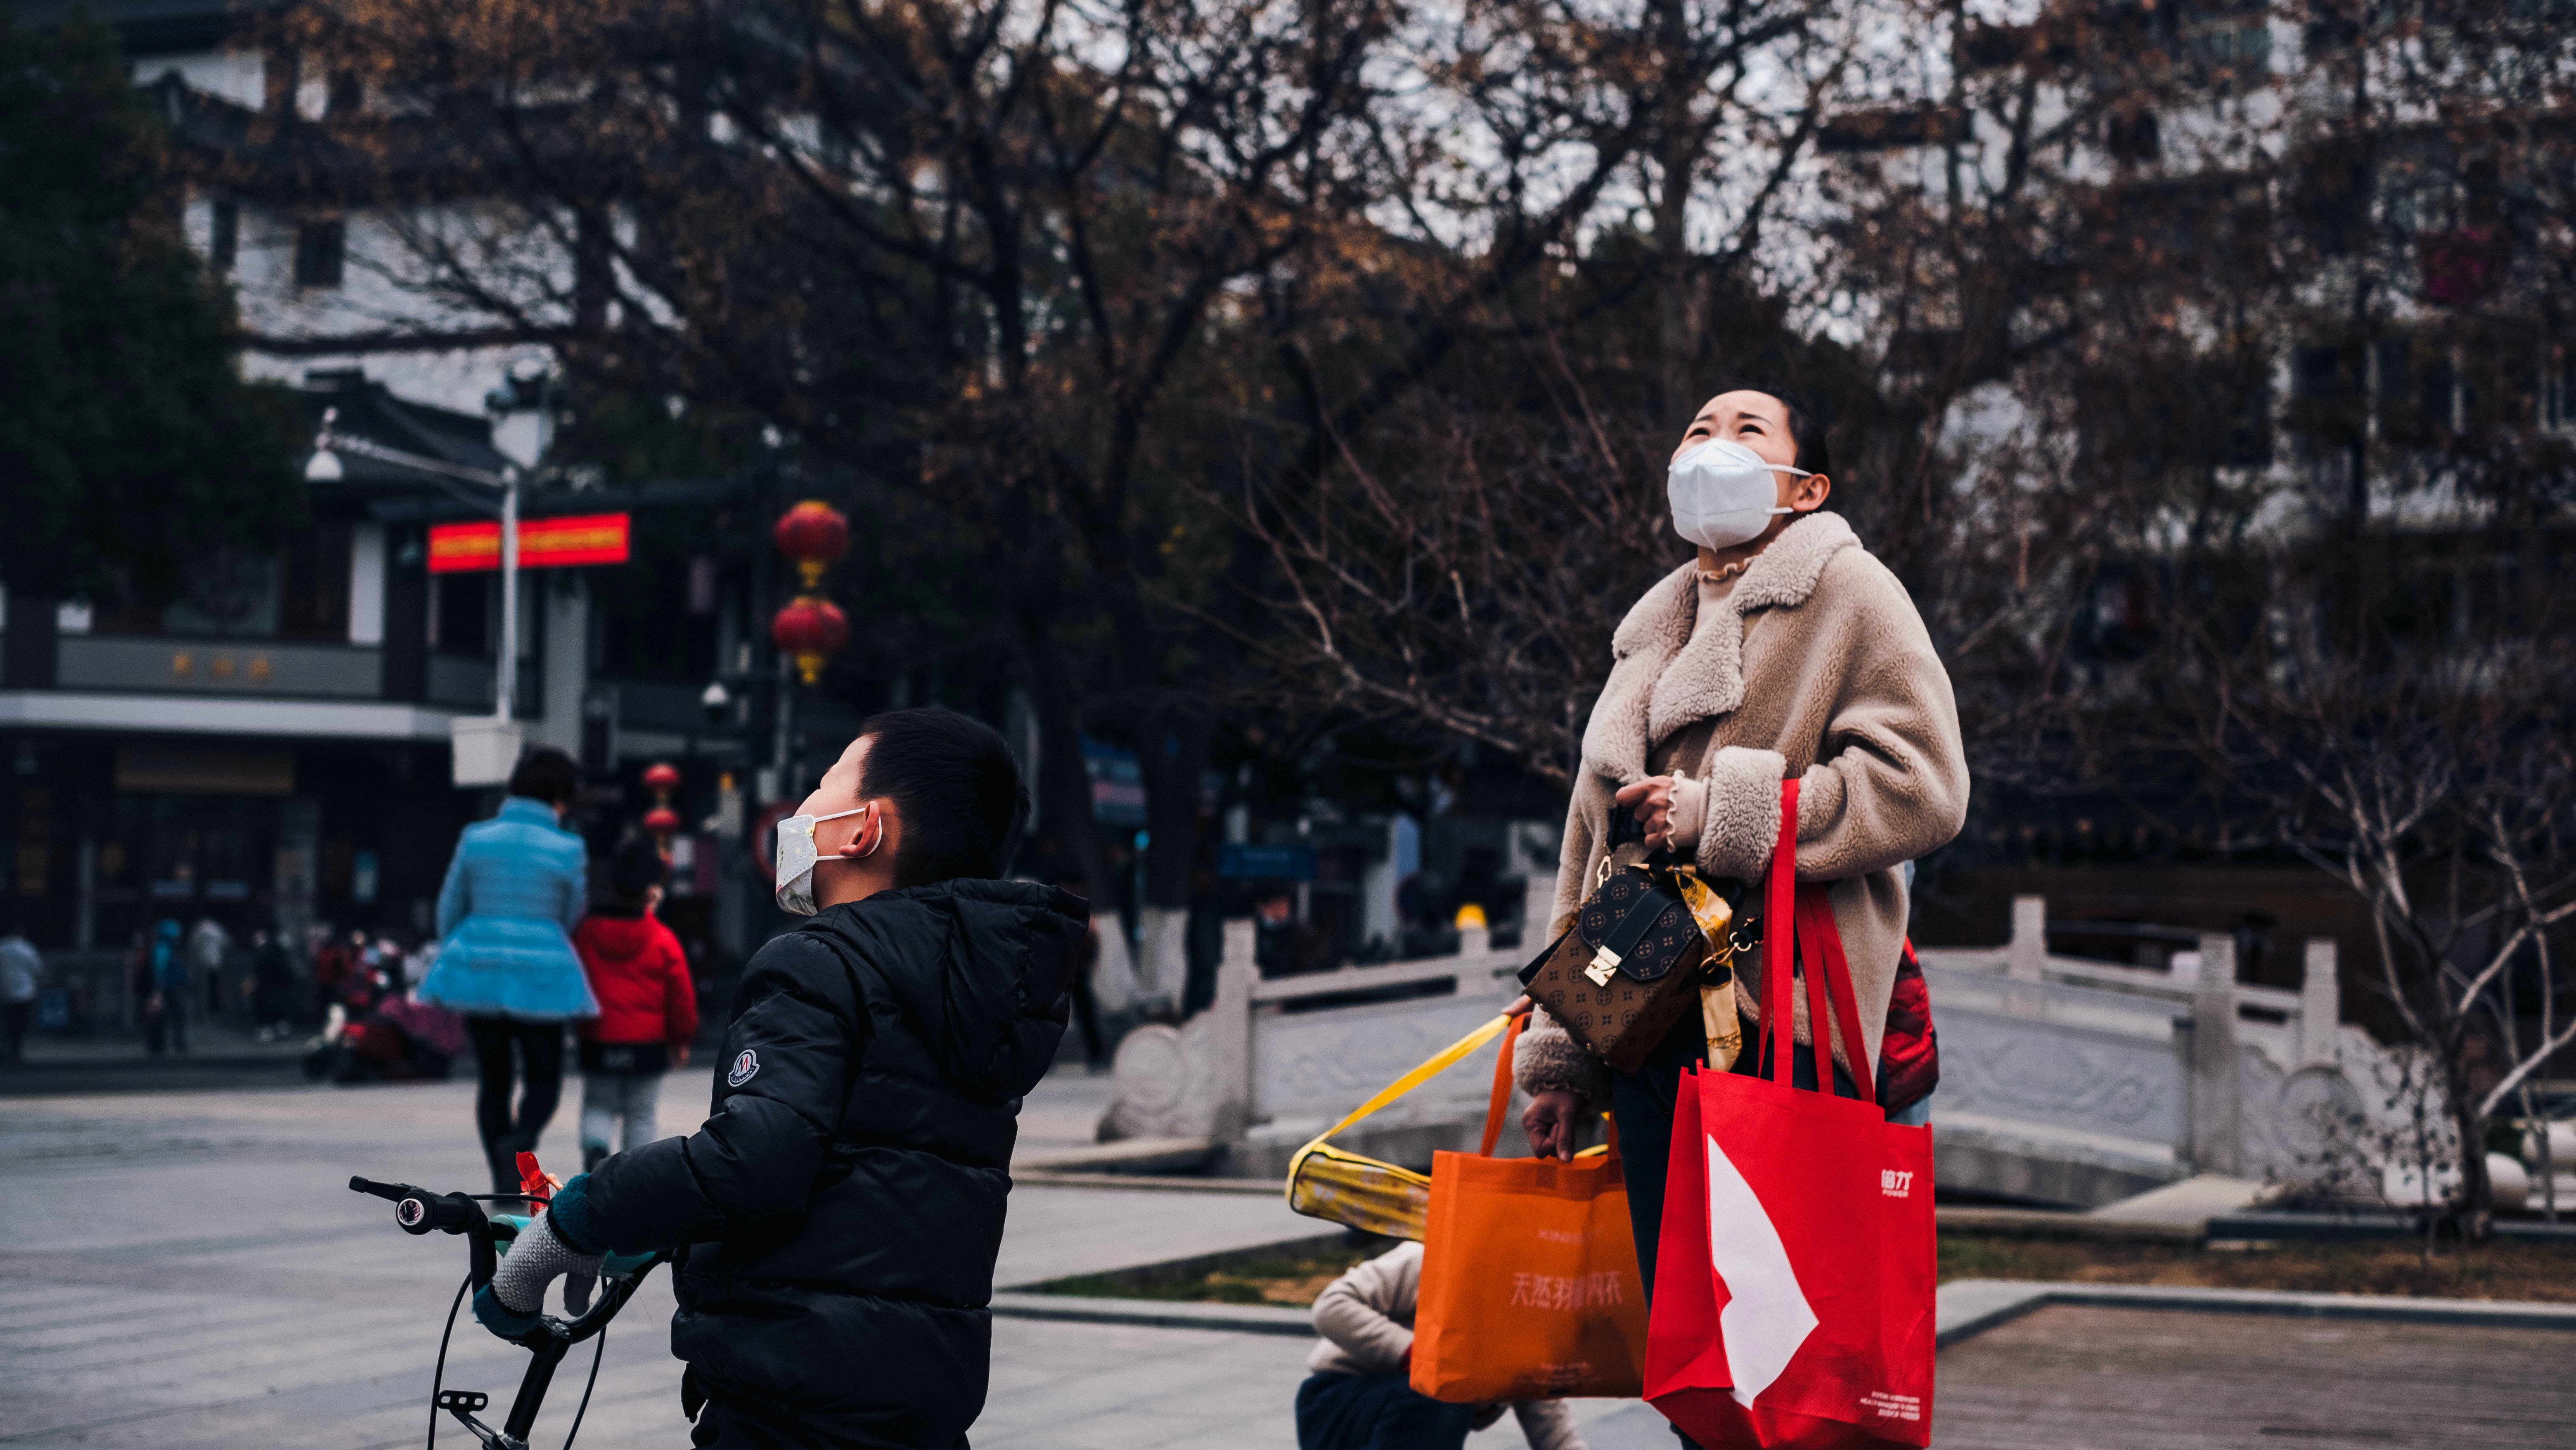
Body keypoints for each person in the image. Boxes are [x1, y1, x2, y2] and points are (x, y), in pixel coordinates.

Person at [1513, 387, 1968, 1443]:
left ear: (1805, 487)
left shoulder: (1850, 590)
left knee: (1779, 1356)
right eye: (1696, 431)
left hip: (1775, 1030)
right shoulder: (1653, 626)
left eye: (1746, 431)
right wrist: (1562, 1059)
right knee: (1694, 1361)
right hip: (1643, 1024)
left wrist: (1724, 811)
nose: (1713, 446)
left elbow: (1927, 785)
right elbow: (1588, 851)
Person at [473, 707, 1084, 1450]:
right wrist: (660, 1230)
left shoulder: (820, 961)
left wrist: (579, 1217)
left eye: (825, 784)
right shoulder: (971, 990)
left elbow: (755, 1157)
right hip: (913, 1398)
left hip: (792, 1400)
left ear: (863, 830)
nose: (801, 808)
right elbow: (858, 1177)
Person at [420, 746, 595, 1194]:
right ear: (560, 795)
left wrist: (460, 952)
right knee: (545, 1079)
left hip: (479, 970)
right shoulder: (569, 847)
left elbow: (450, 906)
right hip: (543, 978)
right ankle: (519, 1144)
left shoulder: (475, 837)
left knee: (494, 1080)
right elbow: (572, 914)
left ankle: (501, 1166)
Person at [1296, 1241, 1585, 1450]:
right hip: (1338, 1402)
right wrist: (1417, 1356)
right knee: (1442, 1396)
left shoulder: (1526, 1319)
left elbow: (1553, 1429)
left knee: (1444, 1401)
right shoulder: (1432, 1262)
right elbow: (1330, 1307)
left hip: (1411, 1420)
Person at [572, 836, 699, 1173]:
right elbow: (681, 998)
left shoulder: (586, 933)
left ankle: (596, 1151)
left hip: (598, 1039)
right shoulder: (662, 940)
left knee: (598, 1105)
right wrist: (681, 1040)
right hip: (648, 1044)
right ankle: (632, 1175)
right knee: (641, 1114)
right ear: (651, 891)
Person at [143, 918, 189, 1056]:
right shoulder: (163, 948)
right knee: (172, 1015)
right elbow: (160, 970)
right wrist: (158, 990)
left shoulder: (164, 947)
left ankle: (161, 1045)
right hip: (167, 989)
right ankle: (171, 1044)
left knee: (166, 1016)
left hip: (168, 988)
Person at [0, 921, 41, 1064]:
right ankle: (16, 1050)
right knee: (20, 1024)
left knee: (6, 1023)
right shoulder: (27, 949)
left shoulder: (2, 948)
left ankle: (5, 1049)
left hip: (4, 992)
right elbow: (37, 970)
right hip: (25, 993)